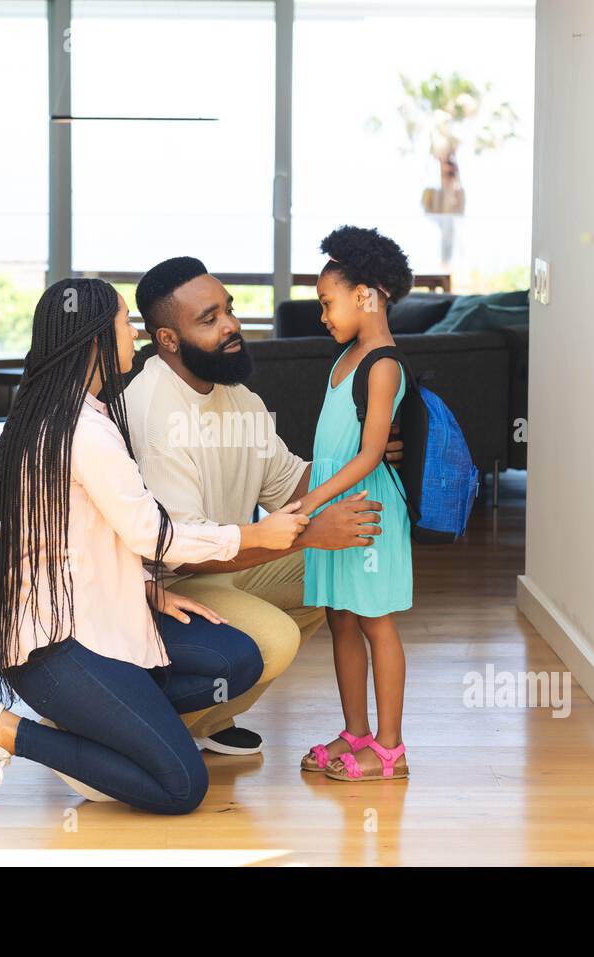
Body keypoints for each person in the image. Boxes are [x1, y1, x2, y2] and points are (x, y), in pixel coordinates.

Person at [0, 278, 308, 816]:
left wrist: (149, 590)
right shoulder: (83, 430)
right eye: (124, 323)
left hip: (104, 617)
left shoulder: (75, 412)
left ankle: (106, 738)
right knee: (182, 788)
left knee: (235, 659)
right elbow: (150, 534)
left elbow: (75, 538)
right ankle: (3, 730)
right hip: (59, 644)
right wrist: (252, 535)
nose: (134, 333)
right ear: (96, 338)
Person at [123, 257, 402, 755]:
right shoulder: (155, 413)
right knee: (274, 640)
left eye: (228, 310)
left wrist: (369, 453)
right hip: (161, 588)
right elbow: (181, 553)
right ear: (167, 339)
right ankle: (141, 733)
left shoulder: (237, 396)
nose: (231, 325)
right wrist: (313, 532)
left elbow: (292, 483)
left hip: (222, 566)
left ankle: (208, 717)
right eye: (209, 320)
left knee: (341, 567)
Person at [298, 226, 413, 782]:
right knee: (340, 618)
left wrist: (312, 499)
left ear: (365, 295)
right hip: (334, 512)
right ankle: (356, 733)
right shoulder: (346, 356)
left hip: (364, 511)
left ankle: (390, 750)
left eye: (327, 302)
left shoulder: (383, 363)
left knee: (375, 623)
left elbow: (370, 454)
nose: (323, 315)